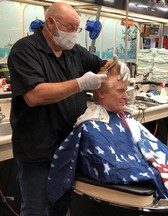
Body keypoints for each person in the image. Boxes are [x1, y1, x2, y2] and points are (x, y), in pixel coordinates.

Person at [47, 62, 168, 216]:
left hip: (165, 168)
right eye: (120, 91)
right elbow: (111, 168)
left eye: (126, 90)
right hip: (141, 182)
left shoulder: (122, 118)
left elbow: (152, 148)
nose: (126, 96)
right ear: (101, 93)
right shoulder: (90, 127)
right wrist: (155, 171)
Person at [7, 2, 130, 216]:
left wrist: (118, 66)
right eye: (70, 28)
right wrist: (80, 84)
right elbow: (34, 95)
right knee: (37, 209)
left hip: (69, 149)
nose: (74, 34)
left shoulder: (74, 52)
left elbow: (103, 65)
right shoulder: (25, 50)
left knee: (60, 207)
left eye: (77, 29)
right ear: (51, 23)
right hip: (38, 152)